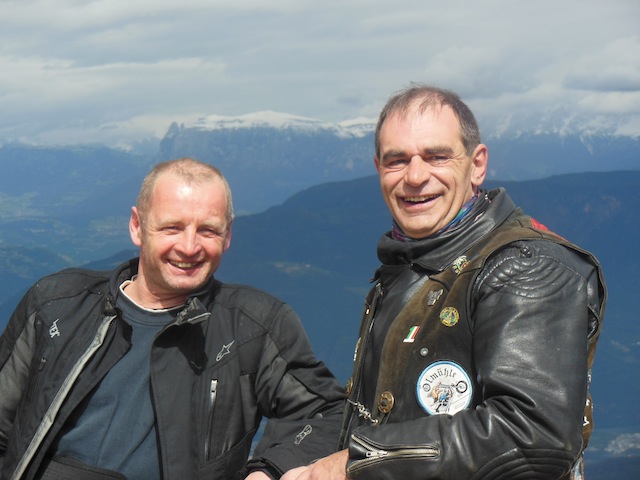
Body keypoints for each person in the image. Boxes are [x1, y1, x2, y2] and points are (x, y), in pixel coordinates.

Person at [285, 84, 607, 480]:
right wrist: (275, 465)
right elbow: (368, 413)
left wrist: (355, 463)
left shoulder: (526, 267)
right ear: (378, 168)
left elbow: (532, 435)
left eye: (436, 156)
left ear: (477, 164)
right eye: (397, 160)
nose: (415, 176)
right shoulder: (414, 260)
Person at [0, 158, 344, 480]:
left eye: (208, 230)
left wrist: (268, 470)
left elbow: (329, 414)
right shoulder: (56, 304)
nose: (189, 247)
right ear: (137, 226)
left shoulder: (254, 327)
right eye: (172, 228)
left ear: (228, 235)